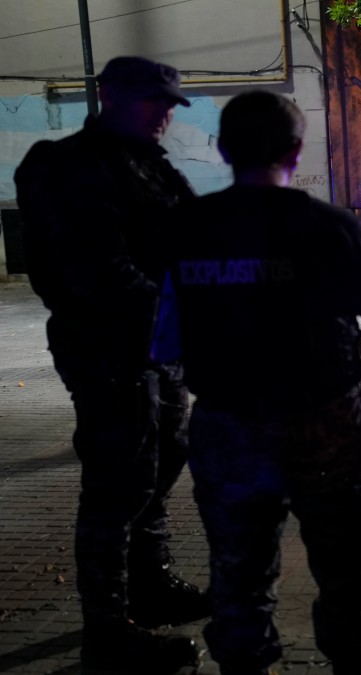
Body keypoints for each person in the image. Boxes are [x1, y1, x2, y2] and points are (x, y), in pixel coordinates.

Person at [159, 90, 361, 675]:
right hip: (326, 422)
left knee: (239, 572)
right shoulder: (330, 224)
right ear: (296, 150)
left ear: (223, 150)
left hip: (228, 421)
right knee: (347, 570)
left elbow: (165, 336)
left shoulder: (186, 227)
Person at [13, 55, 209, 674]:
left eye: (169, 105)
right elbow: (99, 274)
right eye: (152, 101)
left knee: (163, 459)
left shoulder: (150, 165)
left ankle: (151, 585)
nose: (163, 115)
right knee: (117, 483)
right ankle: (108, 628)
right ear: (110, 95)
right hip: (105, 348)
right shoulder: (65, 164)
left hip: (159, 347)